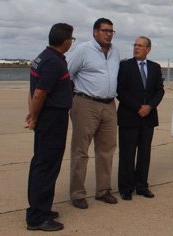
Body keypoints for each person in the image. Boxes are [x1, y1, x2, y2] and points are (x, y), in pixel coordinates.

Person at [25, 23, 75, 232]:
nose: (72, 41)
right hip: (52, 118)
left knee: (41, 164)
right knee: (47, 166)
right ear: (66, 42)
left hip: (47, 117)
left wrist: (33, 114)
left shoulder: (42, 57)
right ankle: (37, 217)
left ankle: (41, 208)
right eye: (72, 38)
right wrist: (34, 118)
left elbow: (33, 90)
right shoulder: (54, 62)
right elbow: (39, 93)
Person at [67, 18, 121, 209]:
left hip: (109, 105)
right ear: (95, 32)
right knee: (81, 150)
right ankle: (77, 193)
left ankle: (103, 190)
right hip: (86, 104)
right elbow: (68, 73)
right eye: (105, 30)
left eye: (111, 31)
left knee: (107, 150)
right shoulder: (83, 50)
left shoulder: (115, 52)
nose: (108, 34)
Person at [117, 36, 164, 200]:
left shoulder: (155, 67)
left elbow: (160, 91)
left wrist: (149, 106)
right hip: (129, 116)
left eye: (140, 46)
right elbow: (121, 91)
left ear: (148, 49)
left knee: (144, 153)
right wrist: (138, 107)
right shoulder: (124, 66)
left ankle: (142, 185)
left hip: (148, 118)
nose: (136, 48)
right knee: (127, 153)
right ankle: (126, 187)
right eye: (135, 45)